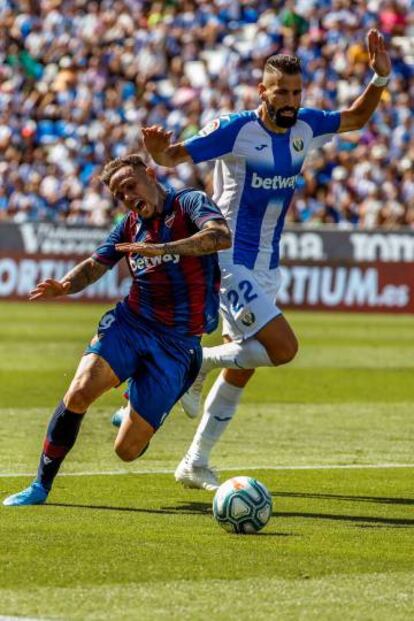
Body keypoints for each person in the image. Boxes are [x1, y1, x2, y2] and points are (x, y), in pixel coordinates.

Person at [140, 29, 392, 491]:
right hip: (229, 256)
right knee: (283, 348)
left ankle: (195, 461)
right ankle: (197, 361)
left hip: (267, 263)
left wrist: (379, 78)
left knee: (247, 363)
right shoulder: (236, 129)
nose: (291, 99)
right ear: (263, 91)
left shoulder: (306, 127)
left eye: (297, 91)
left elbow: (355, 117)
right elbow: (176, 155)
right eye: (282, 91)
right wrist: (160, 154)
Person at [3, 154, 231, 506]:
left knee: (127, 451)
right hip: (132, 323)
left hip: (178, 343)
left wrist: (164, 249)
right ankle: (40, 486)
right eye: (119, 193)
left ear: (150, 176)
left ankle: (135, 401)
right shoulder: (129, 226)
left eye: (130, 185)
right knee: (78, 393)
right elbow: (97, 263)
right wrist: (66, 285)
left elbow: (219, 236)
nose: (127, 196)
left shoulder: (188, 203)